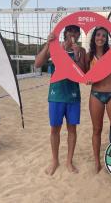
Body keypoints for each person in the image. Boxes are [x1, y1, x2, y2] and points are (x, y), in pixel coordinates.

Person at [35, 25, 86, 175]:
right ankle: (55, 160)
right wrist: (47, 44)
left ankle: (69, 161)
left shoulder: (81, 50)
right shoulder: (55, 47)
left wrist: (77, 56)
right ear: (65, 34)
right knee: (55, 129)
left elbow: (83, 73)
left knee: (72, 129)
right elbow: (37, 64)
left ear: (78, 35)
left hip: (73, 95)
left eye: (76, 33)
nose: (73, 36)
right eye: (70, 32)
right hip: (56, 95)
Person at [85, 26, 111, 173]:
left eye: (103, 35)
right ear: (94, 37)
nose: (100, 38)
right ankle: (97, 162)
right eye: (98, 35)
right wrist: (86, 79)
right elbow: (82, 75)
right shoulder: (88, 56)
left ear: (107, 38)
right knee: (97, 129)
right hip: (96, 95)